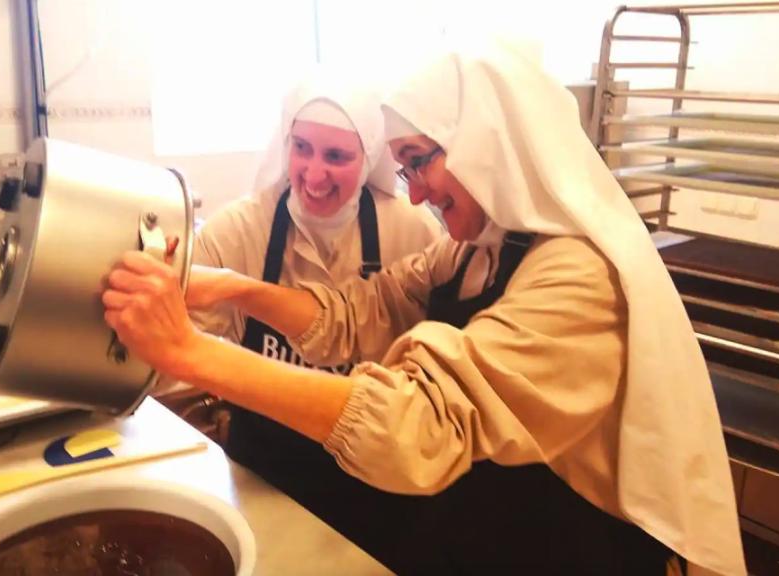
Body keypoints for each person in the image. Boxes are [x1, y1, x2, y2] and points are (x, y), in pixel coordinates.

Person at [104, 46, 745, 575]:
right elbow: (358, 314)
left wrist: (190, 352)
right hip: (488, 533)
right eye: (403, 165)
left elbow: (417, 423)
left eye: (418, 161)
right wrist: (231, 289)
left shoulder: (578, 277)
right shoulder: (478, 250)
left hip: (567, 549)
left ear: (487, 144)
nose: (412, 189)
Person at [187, 72, 443, 554]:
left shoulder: (411, 233)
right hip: (265, 469)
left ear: (369, 160)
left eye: (337, 156)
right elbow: (180, 328)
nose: (313, 173)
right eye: (301, 148)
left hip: (375, 481)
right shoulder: (241, 230)